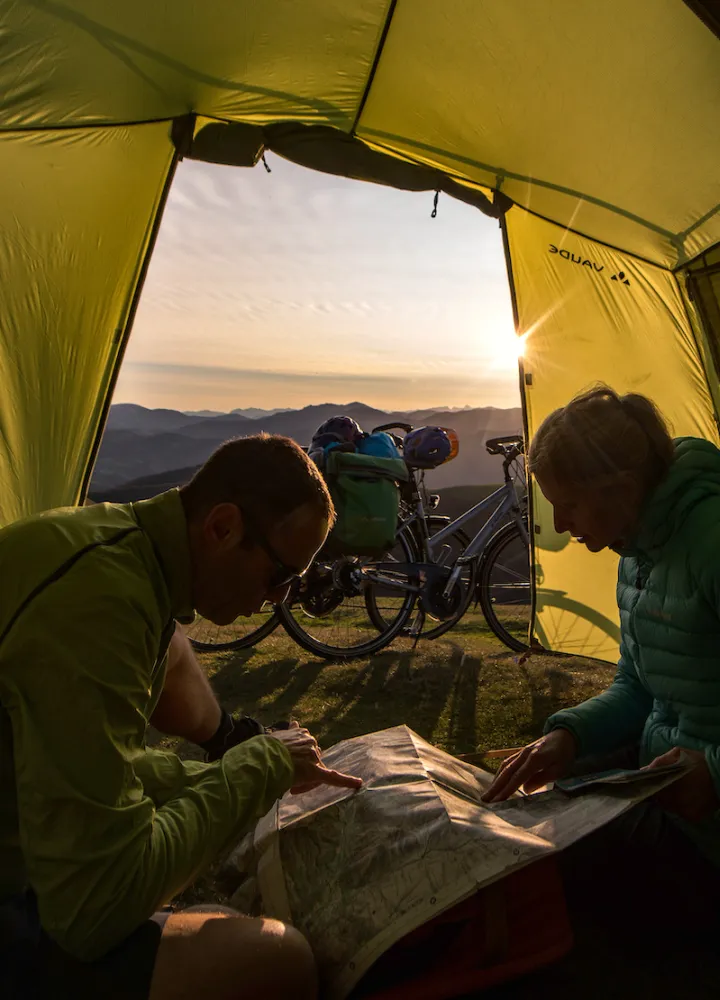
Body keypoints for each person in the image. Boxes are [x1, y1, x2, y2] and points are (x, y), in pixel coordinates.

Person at [0, 433, 361, 1000]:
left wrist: (231, 772)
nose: (279, 601)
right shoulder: (100, 602)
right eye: (280, 576)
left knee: (217, 917)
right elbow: (94, 908)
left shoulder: (121, 556)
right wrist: (258, 765)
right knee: (279, 960)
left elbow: (84, 763)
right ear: (222, 528)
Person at [482, 385, 720, 944]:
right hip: (666, 784)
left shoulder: (710, 543)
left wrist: (715, 771)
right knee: (529, 822)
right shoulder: (635, 548)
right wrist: (570, 735)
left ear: (619, 486)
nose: (561, 524)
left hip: (706, 826)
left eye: (569, 503)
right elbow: (638, 687)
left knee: (534, 872)